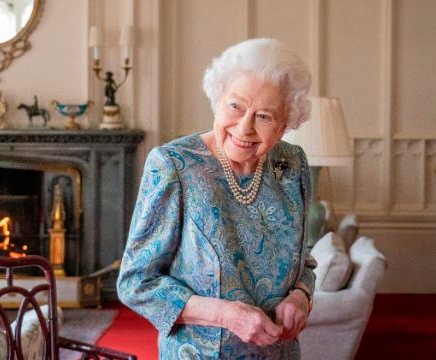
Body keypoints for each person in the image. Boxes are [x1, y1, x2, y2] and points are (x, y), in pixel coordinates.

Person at [117, 38, 317, 359]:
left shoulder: (292, 165)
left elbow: (303, 261)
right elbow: (136, 283)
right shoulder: (174, 166)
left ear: (284, 124)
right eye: (235, 106)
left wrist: (301, 296)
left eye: (264, 116)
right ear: (218, 99)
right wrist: (226, 315)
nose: (245, 127)